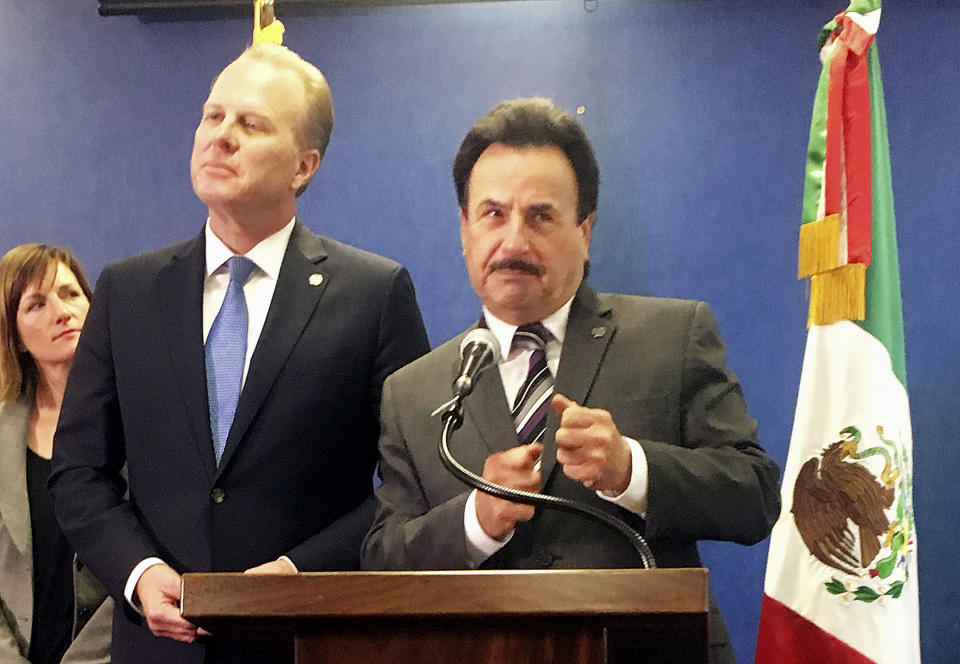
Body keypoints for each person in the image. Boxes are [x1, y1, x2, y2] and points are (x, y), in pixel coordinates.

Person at [361, 97, 781, 664]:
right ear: (464, 229)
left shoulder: (674, 335)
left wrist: (632, 468)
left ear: (584, 232)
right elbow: (383, 558)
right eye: (492, 214)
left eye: (540, 215)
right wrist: (476, 520)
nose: (513, 241)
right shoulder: (414, 390)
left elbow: (754, 495)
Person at [48, 44, 429, 664]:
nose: (220, 137)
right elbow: (79, 473)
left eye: (250, 124)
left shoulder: (374, 294)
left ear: (303, 165)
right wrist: (140, 573)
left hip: (310, 640)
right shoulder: (127, 290)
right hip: (156, 646)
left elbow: (412, 486)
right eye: (212, 116)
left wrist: (300, 571)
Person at [0, 244, 113, 664]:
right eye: (36, 305)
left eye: (70, 294)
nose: (61, 313)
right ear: (14, 336)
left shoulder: (144, 422)